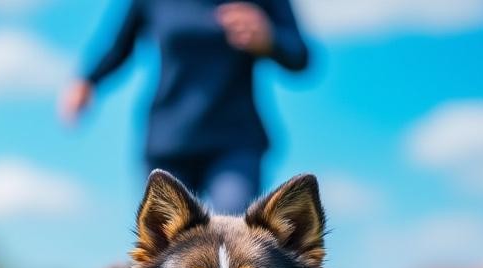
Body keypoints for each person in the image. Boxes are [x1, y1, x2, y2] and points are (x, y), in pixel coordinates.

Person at [61, 0, 310, 214]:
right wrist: (87, 80)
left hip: (235, 139)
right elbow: (119, 47)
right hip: (169, 140)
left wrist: (270, 38)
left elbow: (300, 55)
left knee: (235, 228)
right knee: (166, 244)